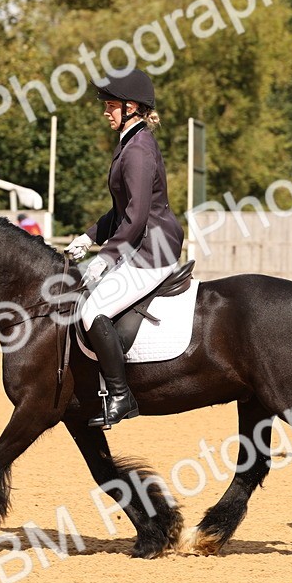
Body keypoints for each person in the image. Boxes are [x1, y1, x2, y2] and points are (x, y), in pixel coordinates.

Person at [65, 68, 184, 429]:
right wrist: (89, 237)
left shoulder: (138, 150)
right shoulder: (130, 144)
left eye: (111, 104)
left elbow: (135, 218)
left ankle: (121, 396)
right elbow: (120, 211)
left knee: (92, 310)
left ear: (131, 107)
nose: (105, 111)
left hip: (153, 249)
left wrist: (105, 257)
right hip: (139, 244)